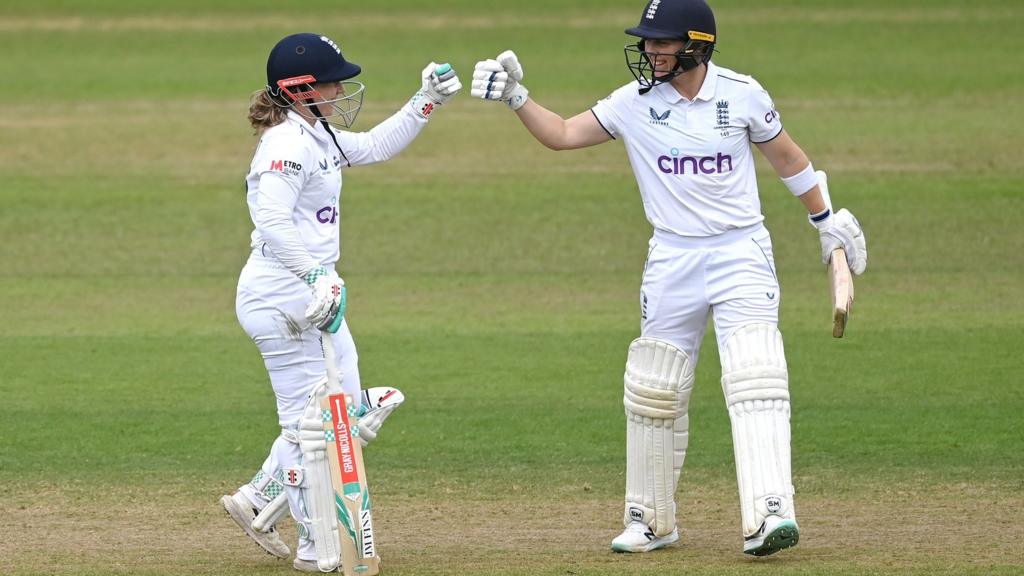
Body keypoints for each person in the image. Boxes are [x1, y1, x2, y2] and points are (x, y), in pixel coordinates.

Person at [470, 0, 866, 557]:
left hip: (740, 253)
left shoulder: (741, 93)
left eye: (662, 42)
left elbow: (787, 157)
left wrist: (826, 220)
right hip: (673, 258)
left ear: (696, 45)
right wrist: (517, 97)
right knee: (654, 386)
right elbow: (560, 134)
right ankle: (650, 519)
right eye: (648, 42)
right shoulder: (632, 104)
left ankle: (770, 511)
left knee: (756, 374)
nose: (651, 51)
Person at [219, 32, 461, 572]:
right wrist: (312, 275)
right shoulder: (285, 145)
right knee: (315, 426)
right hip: (284, 293)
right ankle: (315, 543)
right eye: (333, 81)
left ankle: (259, 497)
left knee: (345, 413)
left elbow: (373, 146)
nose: (342, 89)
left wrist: (426, 100)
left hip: (313, 289)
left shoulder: (317, 132)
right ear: (301, 89)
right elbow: (272, 220)